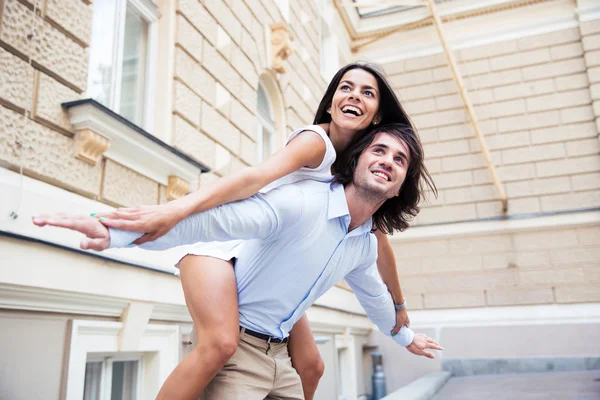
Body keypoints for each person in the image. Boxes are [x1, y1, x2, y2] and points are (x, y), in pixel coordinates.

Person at [68, 62, 432, 400]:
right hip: (226, 245)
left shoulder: (364, 169)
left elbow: (376, 243)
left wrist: (400, 312)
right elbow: (253, 179)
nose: (353, 95)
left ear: (378, 116)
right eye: (345, 87)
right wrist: (168, 212)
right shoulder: (316, 144)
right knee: (221, 344)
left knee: (312, 365)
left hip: (272, 254)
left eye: (367, 92)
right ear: (331, 101)